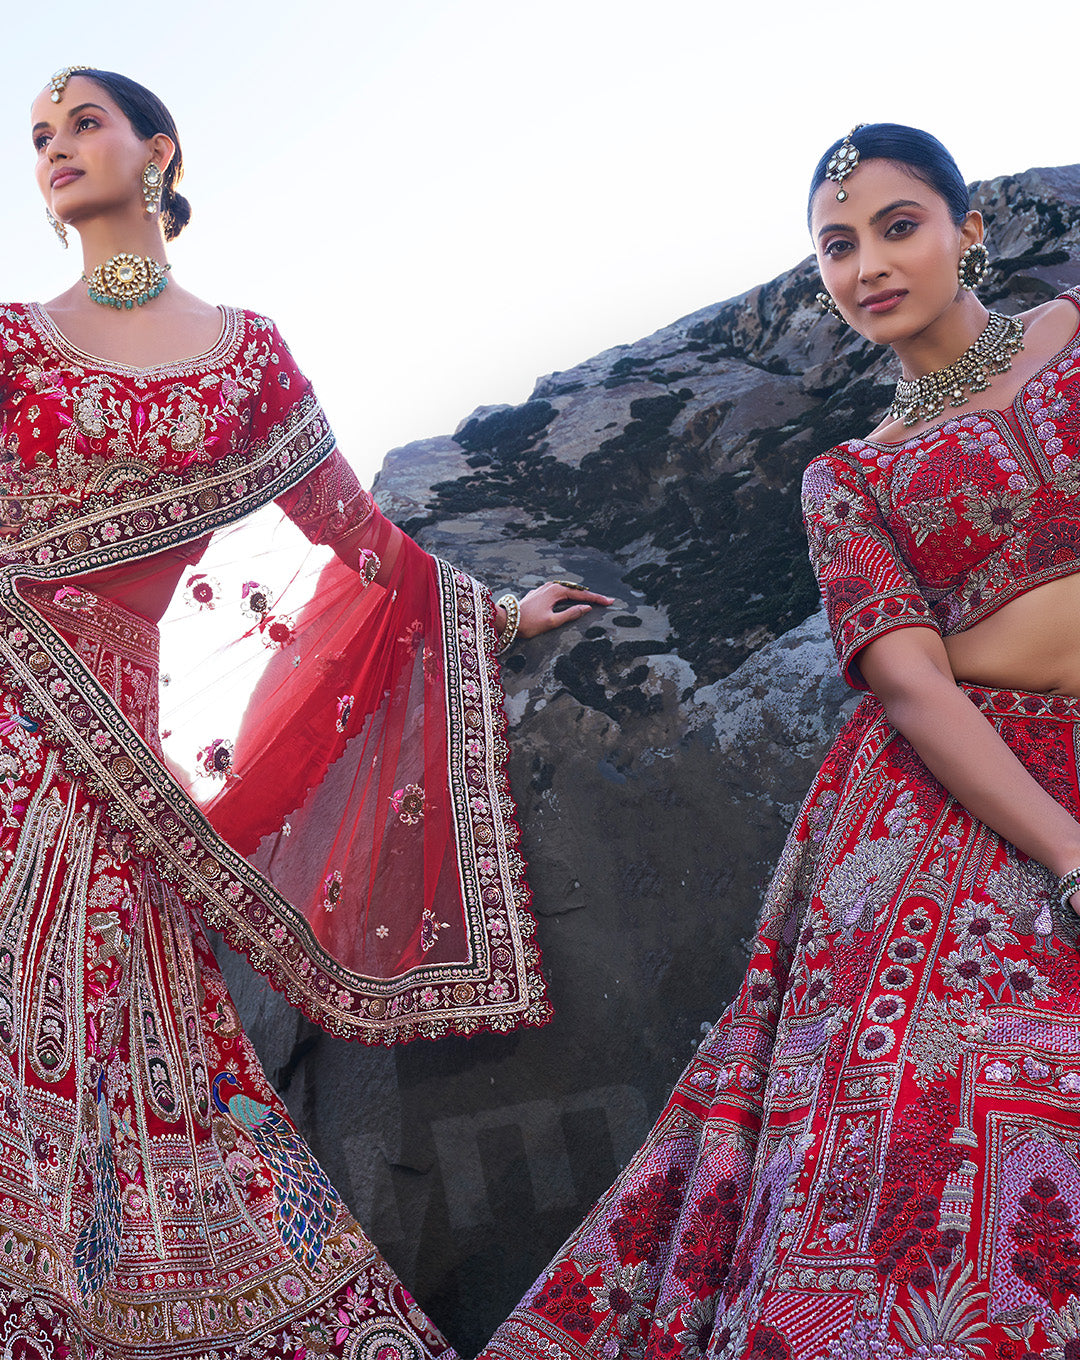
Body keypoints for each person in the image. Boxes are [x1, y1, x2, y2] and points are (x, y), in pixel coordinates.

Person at [0, 66, 609, 1359]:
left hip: (115, 770)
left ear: (158, 149)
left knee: (121, 1075)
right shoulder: (8, 341)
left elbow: (355, 539)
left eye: (84, 121)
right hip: (12, 722)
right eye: (39, 133)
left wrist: (494, 616)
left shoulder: (249, 350)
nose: (54, 144)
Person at [476, 124, 1080, 1360]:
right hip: (957, 798)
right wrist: (1069, 856)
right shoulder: (848, 477)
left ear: (971, 229)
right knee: (942, 1101)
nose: (868, 265)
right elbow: (910, 684)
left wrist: (977, 646)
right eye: (837, 248)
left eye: (898, 226)